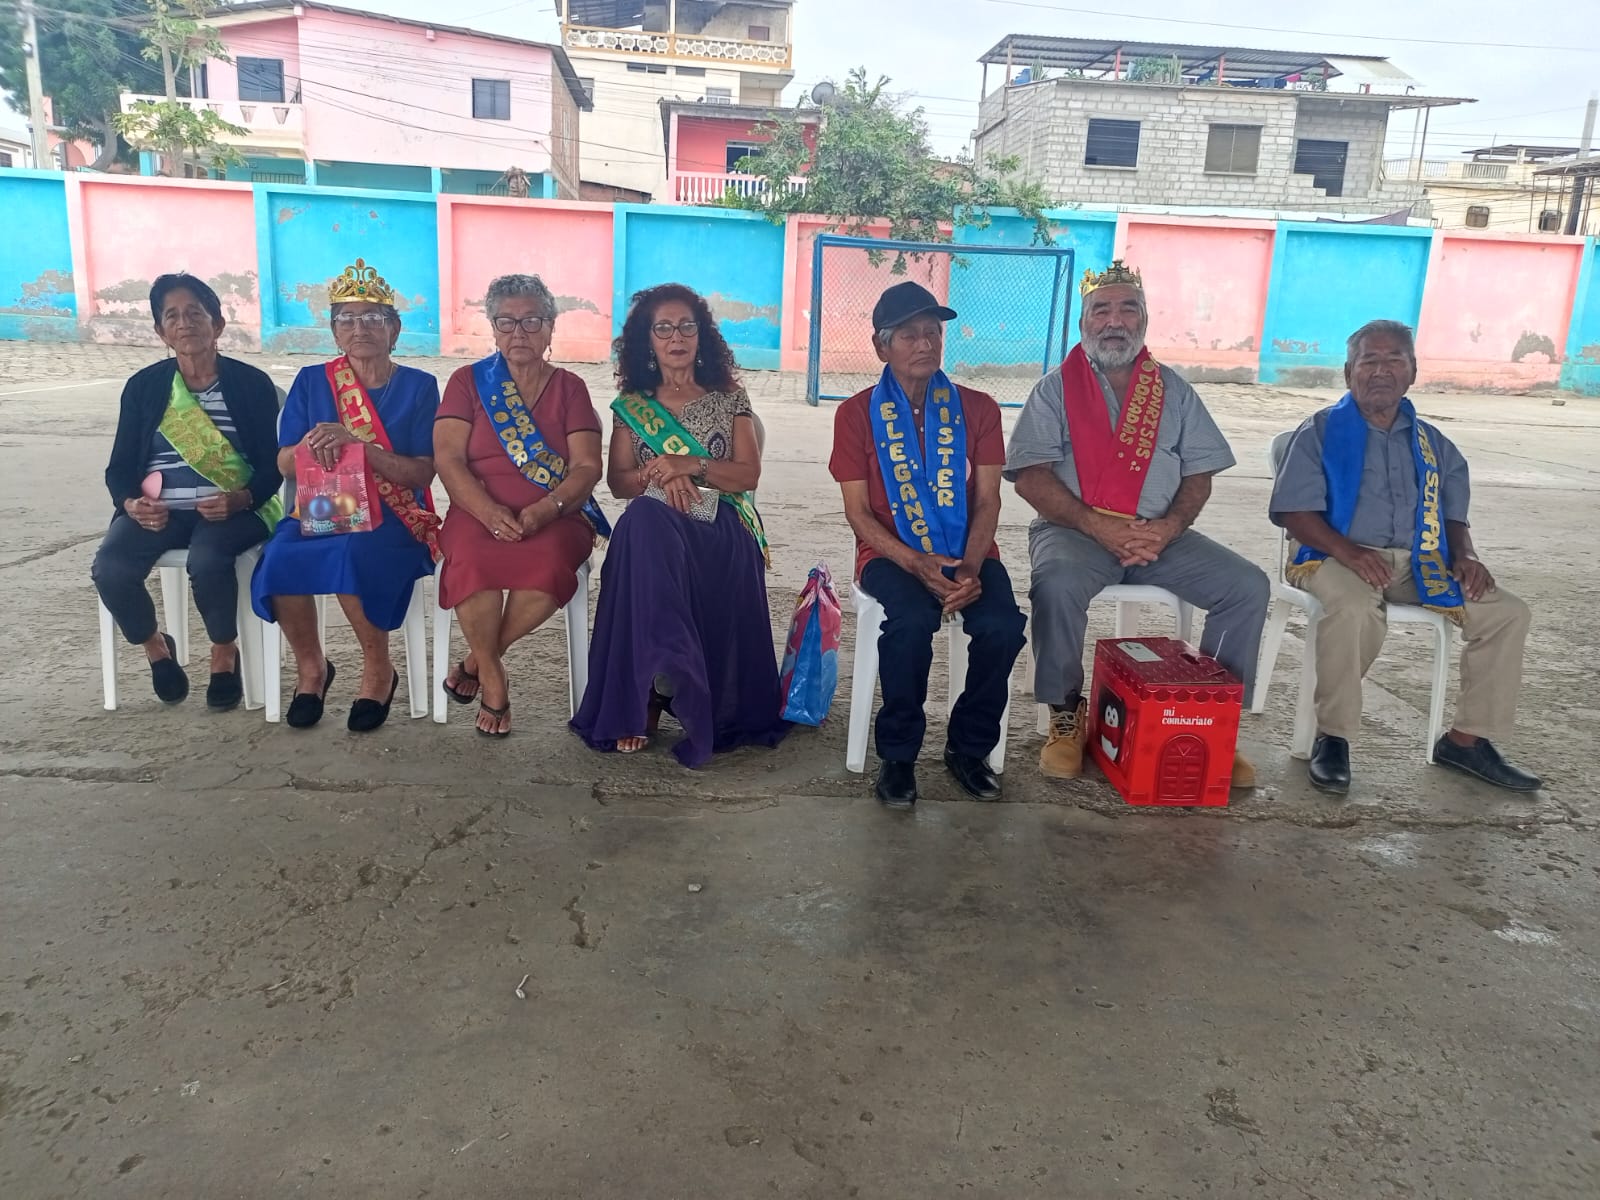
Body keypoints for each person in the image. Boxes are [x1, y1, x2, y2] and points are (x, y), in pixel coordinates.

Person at [1006, 261, 1268, 786]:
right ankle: (1064, 713)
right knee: (1055, 584)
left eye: (1128, 309)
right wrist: (1098, 526)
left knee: (1247, 586)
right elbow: (1030, 478)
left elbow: (1199, 474)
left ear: (1144, 319)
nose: (1114, 321)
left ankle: (1214, 719)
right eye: (1101, 310)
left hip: (1158, 536)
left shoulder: (1175, 391)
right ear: (1084, 322)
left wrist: (1168, 528)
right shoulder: (1054, 391)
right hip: (1075, 533)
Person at [1269, 319, 1541, 795]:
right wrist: (1349, 551)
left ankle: (1466, 742)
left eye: (1394, 359)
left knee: (1507, 613)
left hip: (1421, 562)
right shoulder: (1320, 432)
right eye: (1369, 360)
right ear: (1348, 372)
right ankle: (1333, 738)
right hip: (1331, 553)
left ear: (1412, 371)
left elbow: (1453, 515)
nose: (1381, 370)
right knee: (1353, 606)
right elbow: (1293, 512)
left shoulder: (1433, 443)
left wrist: (1466, 555)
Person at [828, 281, 1027, 808]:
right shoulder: (855, 414)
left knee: (1003, 628)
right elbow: (858, 513)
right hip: (890, 554)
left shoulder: (979, 409)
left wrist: (971, 568)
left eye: (933, 333)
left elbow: (988, 501)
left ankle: (968, 749)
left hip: (968, 552)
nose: (925, 344)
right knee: (911, 625)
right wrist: (915, 562)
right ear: (881, 347)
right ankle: (898, 757)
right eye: (909, 335)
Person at [570, 283, 787, 766]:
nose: (676, 337)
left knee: (642, 534)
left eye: (687, 326)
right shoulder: (632, 404)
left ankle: (657, 688)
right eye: (663, 328)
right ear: (647, 340)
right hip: (657, 523)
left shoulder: (730, 397)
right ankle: (655, 683)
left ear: (701, 334)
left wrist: (690, 464)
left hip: (721, 524)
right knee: (643, 521)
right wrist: (658, 471)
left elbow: (747, 476)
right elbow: (620, 483)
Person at [250, 258, 441, 732]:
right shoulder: (312, 381)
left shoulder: (420, 387)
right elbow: (283, 464)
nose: (360, 328)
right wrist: (310, 446)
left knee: (353, 551)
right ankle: (312, 668)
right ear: (334, 332)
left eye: (373, 318)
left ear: (395, 330)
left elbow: (423, 472)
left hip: (394, 515)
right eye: (347, 319)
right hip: (324, 505)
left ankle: (378, 669)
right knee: (279, 556)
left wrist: (361, 447)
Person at [94, 273, 283, 710]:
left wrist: (241, 499)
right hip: (159, 513)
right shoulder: (144, 387)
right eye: (172, 316)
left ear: (217, 324)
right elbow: (119, 468)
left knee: (209, 558)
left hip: (233, 510)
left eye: (195, 313)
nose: (185, 324)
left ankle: (223, 652)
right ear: (161, 332)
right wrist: (132, 504)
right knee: (111, 567)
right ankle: (157, 647)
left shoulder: (251, 384)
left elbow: (272, 465)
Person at [434, 274, 606, 737]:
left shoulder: (570, 388)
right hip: (477, 510)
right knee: (471, 561)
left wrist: (546, 509)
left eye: (532, 321)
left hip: (555, 513)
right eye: (506, 322)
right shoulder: (467, 383)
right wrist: (488, 512)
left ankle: (476, 660)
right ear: (492, 328)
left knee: (549, 564)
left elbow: (587, 467)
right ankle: (493, 677)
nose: (519, 333)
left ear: (551, 327)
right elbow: (448, 459)